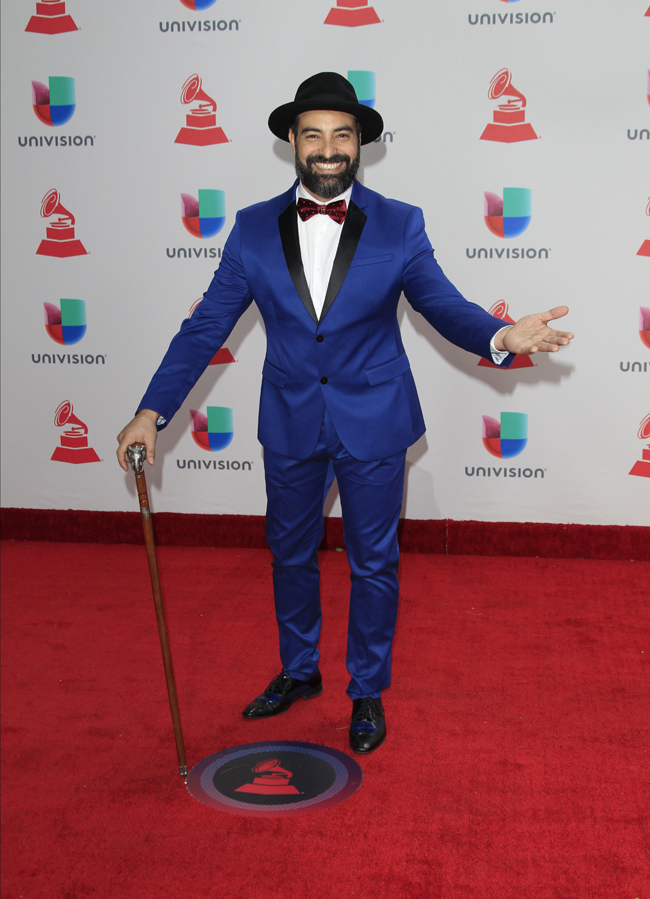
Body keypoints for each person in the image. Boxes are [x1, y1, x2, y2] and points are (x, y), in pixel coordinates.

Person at [117, 72, 573, 754]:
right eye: (313, 135)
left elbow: (441, 305)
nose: (328, 148)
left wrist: (501, 335)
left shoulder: (400, 223)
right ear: (292, 145)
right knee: (290, 554)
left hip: (377, 418)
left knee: (374, 562)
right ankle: (299, 672)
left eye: (342, 135)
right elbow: (205, 326)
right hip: (292, 419)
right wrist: (151, 411)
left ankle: (366, 690)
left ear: (360, 144)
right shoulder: (249, 230)